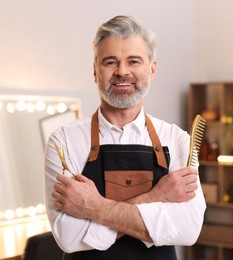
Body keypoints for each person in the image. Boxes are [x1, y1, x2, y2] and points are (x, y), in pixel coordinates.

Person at [44, 15, 206, 260]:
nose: (122, 72)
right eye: (110, 62)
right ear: (95, 71)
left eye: (134, 61)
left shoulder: (177, 140)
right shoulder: (63, 142)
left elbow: (188, 229)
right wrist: (157, 198)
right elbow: (69, 236)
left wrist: (94, 207)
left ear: (151, 70)